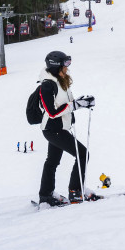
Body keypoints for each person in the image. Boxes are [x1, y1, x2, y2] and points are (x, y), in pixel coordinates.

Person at [37, 51, 98, 206]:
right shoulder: (46, 85)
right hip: (53, 129)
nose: (68, 67)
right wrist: (75, 105)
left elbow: (68, 104)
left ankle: (46, 195)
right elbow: (51, 112)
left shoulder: (60, 82)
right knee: (83, 154)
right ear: (56, 65)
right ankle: (75, 191)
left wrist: (83, 102)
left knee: (52, 161)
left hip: (60, 129)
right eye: (65, 64)